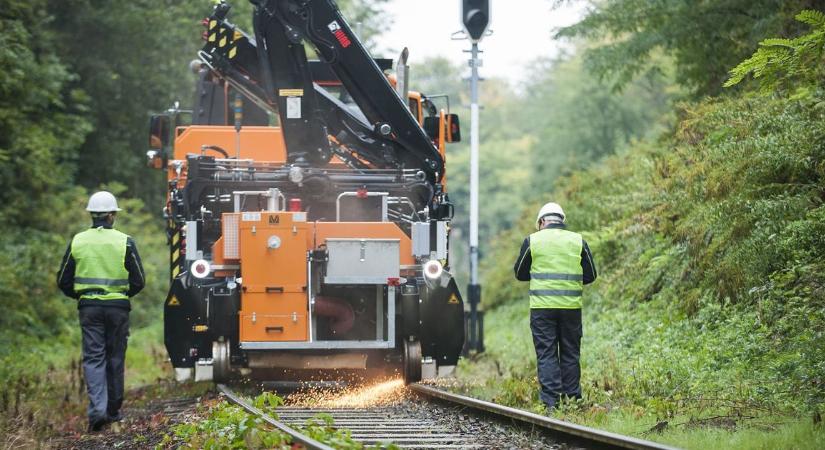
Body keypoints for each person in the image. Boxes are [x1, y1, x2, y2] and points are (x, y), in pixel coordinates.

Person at [57, 191, 145, 431]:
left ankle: (97, 411)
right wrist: (122, 296)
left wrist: (84, 296)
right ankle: (113, 411)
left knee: (94, 358)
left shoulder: (78, 241)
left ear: (92, 215)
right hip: (118, 309)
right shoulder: (124, 241)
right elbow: (139, 280)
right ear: (111, 215)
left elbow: (63, 280)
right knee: (115, 358)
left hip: (89, 309)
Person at [513, 202, 597, 410]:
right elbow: (591, 275)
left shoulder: (533, 240)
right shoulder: (578, 240)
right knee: (570, 352)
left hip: (542, 308)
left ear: (542, 222)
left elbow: (520, 273)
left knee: (547, 353)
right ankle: (573, 400)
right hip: (571, 308)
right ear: (562, 220)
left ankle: (551, 403)